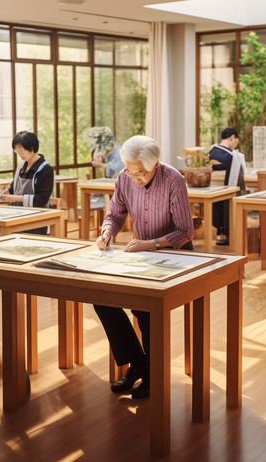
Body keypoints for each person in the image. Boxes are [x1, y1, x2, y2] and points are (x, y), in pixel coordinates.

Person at [93, 135, 194, 399]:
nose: (135, 178)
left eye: (142, 173)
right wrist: (106, 233)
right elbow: (115, 214)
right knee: (101, 297)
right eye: (130, 170)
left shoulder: (174, 180)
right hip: (142, 253)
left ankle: (153, 373)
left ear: (156, 164)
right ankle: (138, 362)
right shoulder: (124, 178)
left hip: (174, 253)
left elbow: (185, 231)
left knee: (146, 310)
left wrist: (151, 245)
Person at [0, 131, 54, 235]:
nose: (20, 154)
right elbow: (14, 187)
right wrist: (8, 191)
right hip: (18, 216)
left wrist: (14, 198)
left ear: (32, 148)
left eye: (22, 151)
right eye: (17, 151)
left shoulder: (45, 169)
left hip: (37, 219)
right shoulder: (21, 166)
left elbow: (41, 199)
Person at [209, 127, 247, 245]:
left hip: (211, 188)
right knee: (228, 205)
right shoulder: (234, 155)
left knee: (217, 206)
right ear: (232, 138)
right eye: (236, 141)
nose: (235, 144)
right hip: (228, 188)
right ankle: (229, 233)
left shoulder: (212, 151)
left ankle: (220, 233)